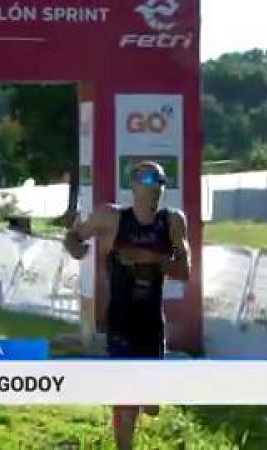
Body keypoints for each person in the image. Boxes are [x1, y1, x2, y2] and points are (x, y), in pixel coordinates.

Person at [63, 161, 191, 450]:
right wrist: (76, 247)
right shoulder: (111, 217)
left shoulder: (172, 221)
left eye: (160, 180)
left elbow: (186, 271)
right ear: (132, 186)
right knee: (125, 402)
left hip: (151, 324)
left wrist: (151, 259)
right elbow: (74, 236)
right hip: (121, 320)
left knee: (151, 405)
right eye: (147, 178)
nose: (155, 185)